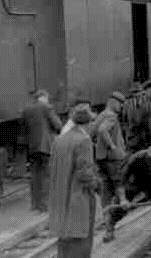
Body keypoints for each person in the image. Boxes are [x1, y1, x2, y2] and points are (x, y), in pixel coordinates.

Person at [49, 105, 100, 258]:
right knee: (80, 243)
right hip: (77, 197)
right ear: (87, 123)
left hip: (59, 197)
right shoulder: (83, 140)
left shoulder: (59, 140)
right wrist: (96, 185)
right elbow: (85, 173)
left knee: (64, 242)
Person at [90, 92, 127, 242]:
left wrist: (97, 147)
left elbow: (91, 132)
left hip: (101, 160)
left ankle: (108, 231)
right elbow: (102, 130)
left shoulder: (101, 115)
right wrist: (112, 146)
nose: (122, 106)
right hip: (113, 159)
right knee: (120, 190)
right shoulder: (111, 116)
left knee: (105, 195)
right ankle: (117, 212)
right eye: (120, 103)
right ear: (113, 102)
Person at [22, 89, 62, 212]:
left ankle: (34, 204)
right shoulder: (46, 107)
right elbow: (58, 125)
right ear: (44, 97)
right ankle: (45, 205)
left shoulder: (26, 110)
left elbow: (24, 130)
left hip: (32, 147)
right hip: (45, 147)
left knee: (34, 175)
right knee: (46, 175)